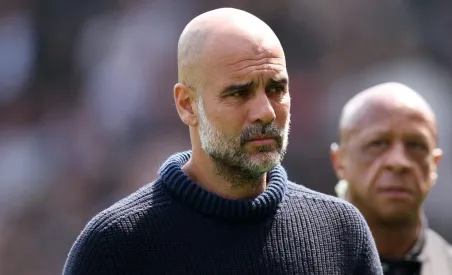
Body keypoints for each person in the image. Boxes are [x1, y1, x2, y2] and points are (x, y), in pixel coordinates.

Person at [62, 7, 383, 275]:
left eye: (276, 89)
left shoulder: (341, 233)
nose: (265, 112)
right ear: (187, 105)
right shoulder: (114, 247)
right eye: (239, 92)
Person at [330, 82, 452, 275]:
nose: (399, 162)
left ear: (434, 164)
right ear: (340, 162)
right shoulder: (293, 264)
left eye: (416, 146)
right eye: (378, 143)